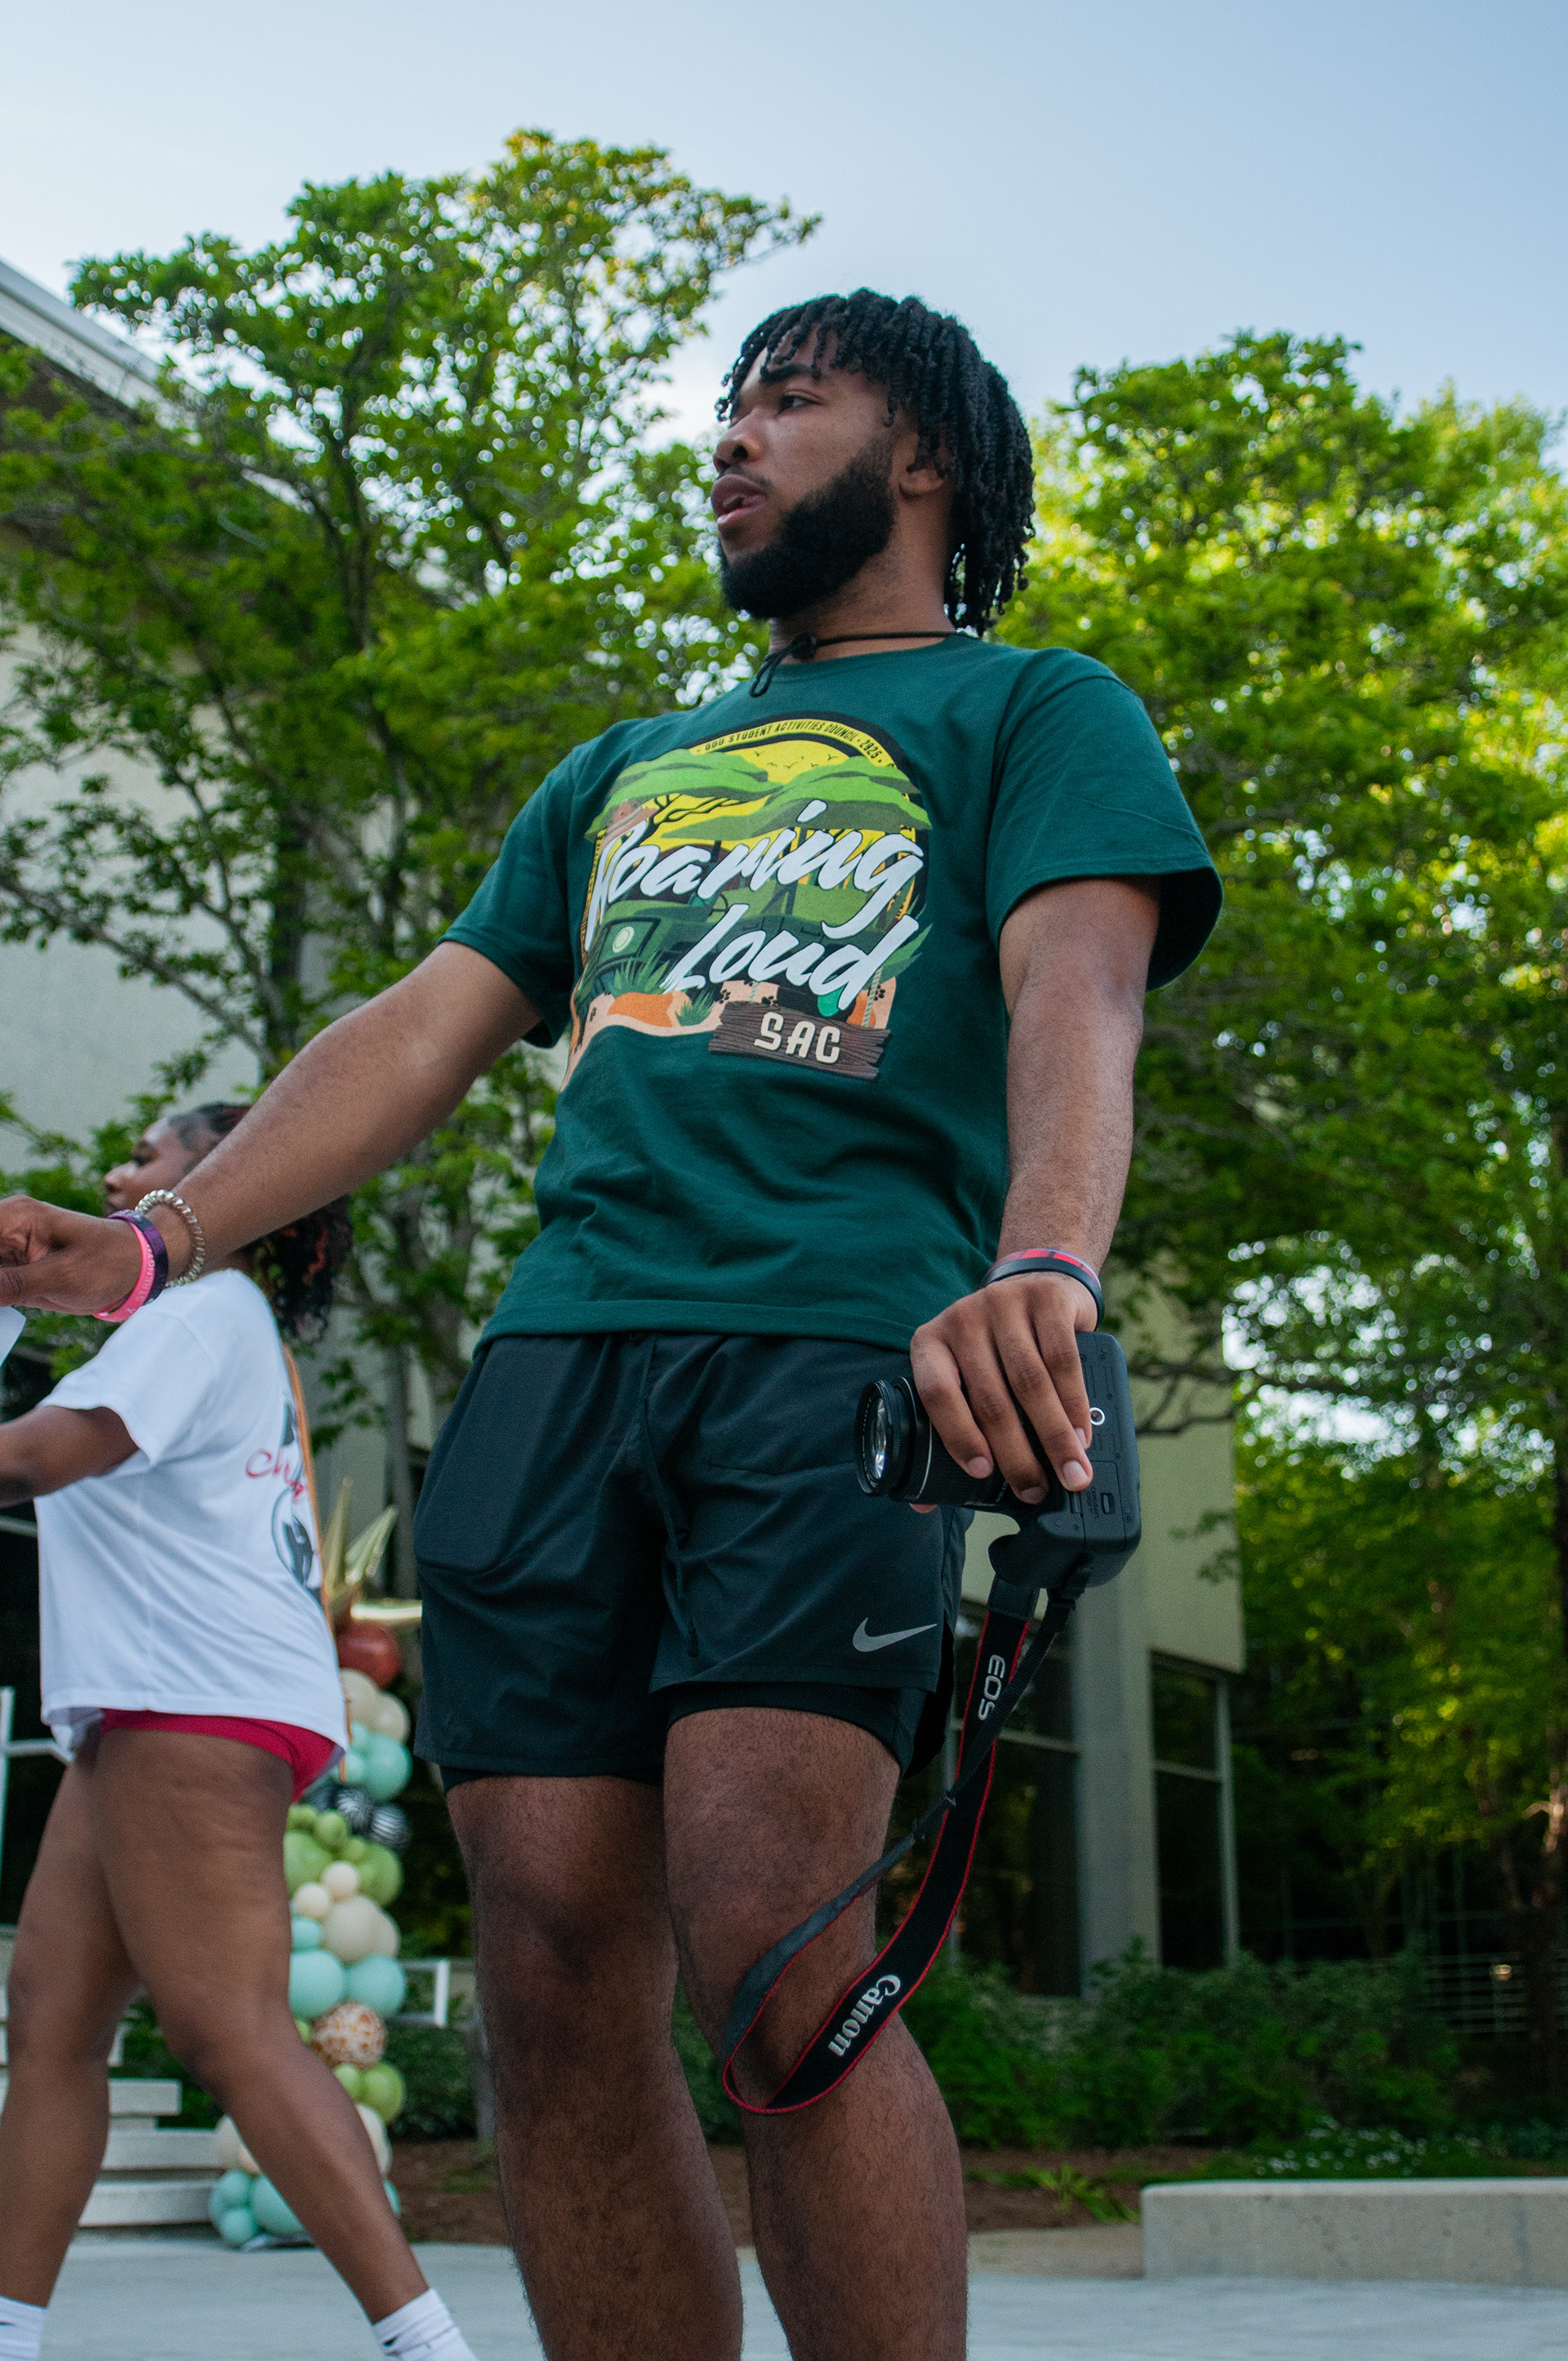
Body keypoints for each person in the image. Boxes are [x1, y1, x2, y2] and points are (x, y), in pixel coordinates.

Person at [0, 291, 1223, 2361]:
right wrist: (164, 1243)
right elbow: (421, 1030)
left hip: (834, 1355)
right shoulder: (622, 767)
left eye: (789, 403)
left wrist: (1045, 1263)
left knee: (774, 1942)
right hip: (562, 1368)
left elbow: (1076, 993)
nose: (731, 441)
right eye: (727, 407)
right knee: (555, 1961)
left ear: (924, 458)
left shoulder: (1034, 710)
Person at [0, 1107, 476, 2361]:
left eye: (149, 1157)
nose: (117, 1173)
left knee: (234, 2031)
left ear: (229, 1189)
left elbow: (39, 1458)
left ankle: (431, 2347)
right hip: (151, 1703)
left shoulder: (203, 1310)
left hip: (188, 1699)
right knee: (50, 2017)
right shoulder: (197, 1324)